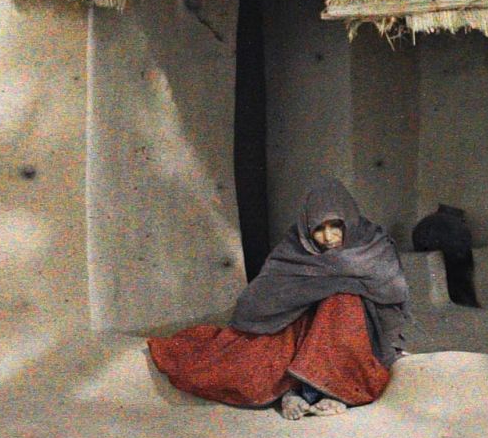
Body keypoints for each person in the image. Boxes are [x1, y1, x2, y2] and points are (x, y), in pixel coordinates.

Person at [149, 179, 410, 419]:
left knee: (343, 300)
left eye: (336, 226)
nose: (328, 238)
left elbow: (391, 296)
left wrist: (342, 289)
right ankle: (300, 391)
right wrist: (304, 297)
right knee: (247, 368)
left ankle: (329, 392)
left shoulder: (373, 246)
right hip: (301, 328)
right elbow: (259, 299)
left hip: (356, 333)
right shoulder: (294, 249)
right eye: (319, 229)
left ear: (349, 220)